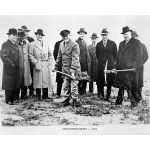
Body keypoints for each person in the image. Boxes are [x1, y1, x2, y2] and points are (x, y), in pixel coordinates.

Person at [114, 26, 142, 108]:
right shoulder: (121, 43)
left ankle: (134, 103)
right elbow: (118, 57)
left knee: (133, 86)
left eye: (126, 34)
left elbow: (138, 56)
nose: (125, 36)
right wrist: (115, 67)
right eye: (124, 34)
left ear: (130, 33)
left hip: (131, 69)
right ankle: (119, 102)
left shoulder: (136, 42)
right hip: (121, 69)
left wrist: (135, 66)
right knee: (121, 86)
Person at [54, 30, 81, 107]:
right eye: (63, 36)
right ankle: (66, 100)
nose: (65, 37)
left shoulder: (74, 45)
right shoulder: (61, 44)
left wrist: (72, 70)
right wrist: (56, 66)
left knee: (74, 85)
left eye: (66, 36)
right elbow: (59, 57)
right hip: (65, 69)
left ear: (69, 35)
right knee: (65, 85)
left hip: (74, 68)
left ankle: (75, 100)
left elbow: (75, 58)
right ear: (61, 37)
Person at [0, 28, 23, 105]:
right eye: (13, 35)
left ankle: (14, 99)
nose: (14, 37)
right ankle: (8, 100)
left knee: (15, 83)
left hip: (16, 68)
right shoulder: (5, 44)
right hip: (9, 68)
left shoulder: (15, 44)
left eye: (15, 35)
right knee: (9, 84)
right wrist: (11, 64)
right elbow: (3, 56)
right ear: (9, 35)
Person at [29, 29, 53, 100]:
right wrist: (35, 62)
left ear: (43, 36)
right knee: (38, 81)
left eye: (41, 35)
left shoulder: (46, 44)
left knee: (45, 80)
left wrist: (49, 62)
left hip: (45, 64)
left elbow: (50, 55)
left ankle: (45, 96)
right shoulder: (32, 44)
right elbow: (30, 55)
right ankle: (38, 97)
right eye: (38, 35)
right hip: (38, 64)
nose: (40, 36)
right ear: (36, 35)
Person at [96, 28, 117, 101]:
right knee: (101, 80)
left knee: (109, 80)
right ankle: (101, 95)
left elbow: (115, 55)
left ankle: (107, 96)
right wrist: (101, 61)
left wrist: (112, 63)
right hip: (101, 65)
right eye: (103, 35)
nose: (104, 36)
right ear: (101, 35)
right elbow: (97, 55)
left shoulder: (112, 43)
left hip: (110, 64)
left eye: (105, 35)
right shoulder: (98, 44)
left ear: (107, 35)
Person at [16, 30, 32, 99]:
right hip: (18, 65)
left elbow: (30, 54)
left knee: (25, 81)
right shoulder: (15, 43)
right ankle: (16, 96)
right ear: (18, 36)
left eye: (24, 36)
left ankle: (24, 96)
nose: (22, 38)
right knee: (17, 81)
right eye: (21, 36)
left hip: (26, 66)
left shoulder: (27, 43)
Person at [76, 28, 91, 95]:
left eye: (83, 34)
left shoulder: (85, 42)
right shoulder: (76, 42)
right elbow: (76, 54)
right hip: (80, 63)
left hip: (85, 63)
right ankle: (79, 92)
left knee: (85, 78)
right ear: (79, 34)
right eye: (81, 34)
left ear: (85, 35)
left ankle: (84, 92)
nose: (82, 35)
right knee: (79, 78)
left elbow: (87, 53)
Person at [21, 25, 35, 97]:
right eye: (23, 31)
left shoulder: (32, 39)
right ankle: (23, 94)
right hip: (24, 63)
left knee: (31, 76)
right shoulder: (19, 40)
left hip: (31, 62)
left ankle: (32, 93)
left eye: (26, 31)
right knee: (24, 77)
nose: (25, 33)